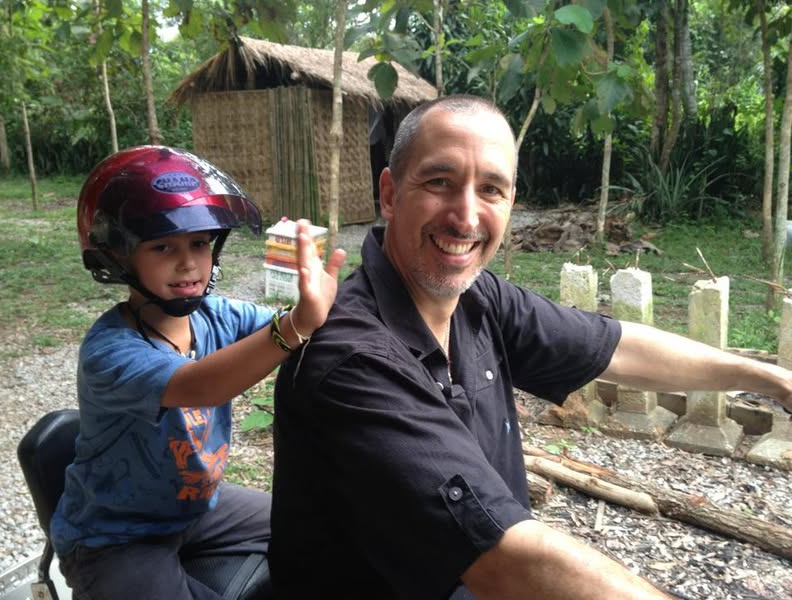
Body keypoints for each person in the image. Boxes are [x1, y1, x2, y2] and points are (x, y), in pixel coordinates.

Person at [269, 95, 792, 600]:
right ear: (389, 192)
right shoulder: (351, 358)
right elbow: (504, 559)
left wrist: (770, 380)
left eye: (491, 189)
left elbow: (615, 347)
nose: (467, 217)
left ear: (511, 201)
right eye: (440, 182)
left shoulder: (479, 299)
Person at [50, 145, 345, 600]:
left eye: (199, 243)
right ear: (118, 255)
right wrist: (298, 323)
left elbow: (275, 323)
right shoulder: (109, 351)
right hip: (116, 537)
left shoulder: (214, 315)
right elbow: (200, 385)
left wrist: (328, 304)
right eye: (163, 246)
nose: (188, 262)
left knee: (314, 525)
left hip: (197, 509)